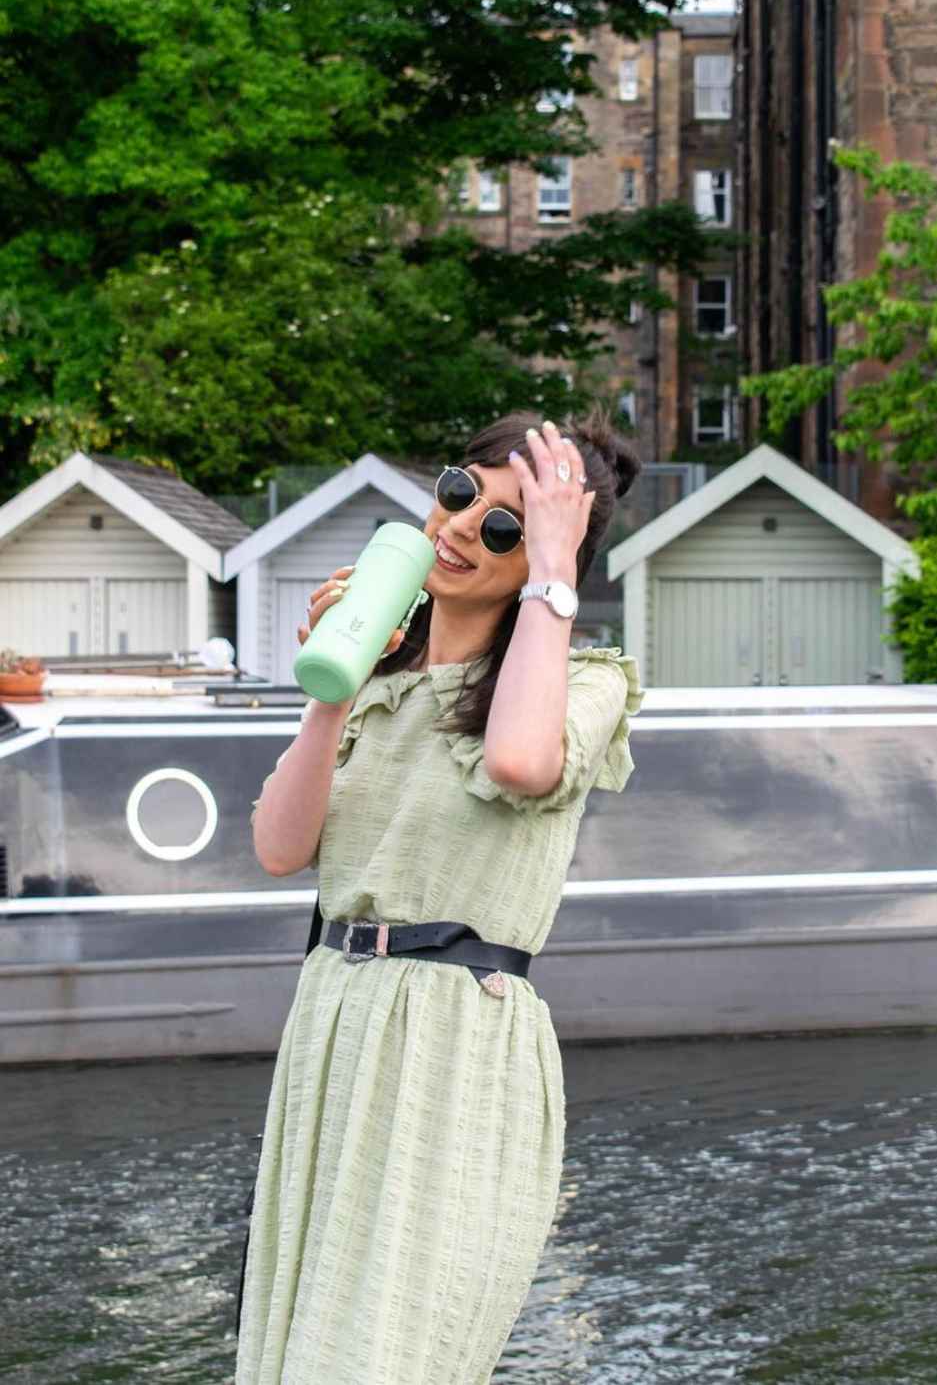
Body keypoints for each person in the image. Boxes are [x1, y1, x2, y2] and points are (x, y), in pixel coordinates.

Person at [236, 410, 643, 1385]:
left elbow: (516, 760)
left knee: (381, 1358)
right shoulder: (376, 681)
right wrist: (335, 678)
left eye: (506, 525)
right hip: (334, 1020)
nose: (462, 528)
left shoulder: (586, 684)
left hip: (452, 1040)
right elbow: (280, 846)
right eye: (459, 493)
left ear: (549, 553)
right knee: (293, 1355)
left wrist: (554, 570)